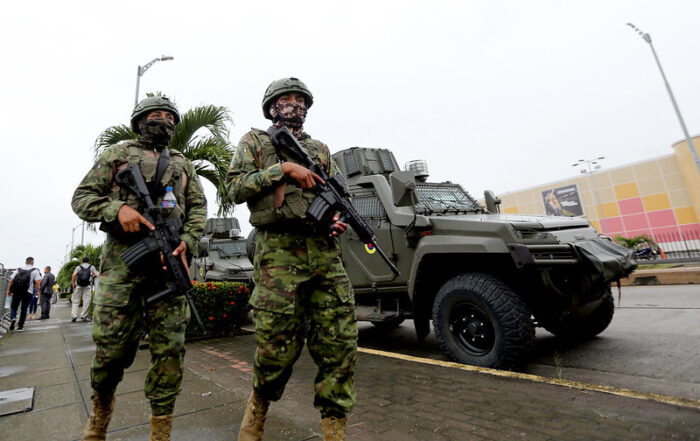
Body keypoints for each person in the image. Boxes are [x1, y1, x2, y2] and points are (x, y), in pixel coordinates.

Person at [227, 78, 356, 441]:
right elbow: (234, 188)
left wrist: (335, 220)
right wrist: (283, 170)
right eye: (286, 98)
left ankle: (335, 429)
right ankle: (258, 409)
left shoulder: (320, 149)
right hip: (278, 254)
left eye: (301, 99)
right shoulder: (256, 142)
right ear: (271, 107)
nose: (295, 104)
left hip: (324, 256)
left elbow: (330, 196)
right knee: (275, 347)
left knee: (339, 344)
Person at [72, 95, 206, 441]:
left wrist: (186, 243)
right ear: (140, 120)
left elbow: (197, 211)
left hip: (169, 267)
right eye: (154, 115)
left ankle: (161, 430)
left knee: (170, 353)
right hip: (122, 268)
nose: (163, 120)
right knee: (110, 351)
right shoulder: (117, 155)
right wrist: (116, 210)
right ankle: (98, 420)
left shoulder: (183, 165)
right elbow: (82, 197)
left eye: (169, 116)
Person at [6, 257, 42, 331]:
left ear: (25, 262)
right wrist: (38, 291)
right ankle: (20, 326)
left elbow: (11, 280)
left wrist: (9, 290)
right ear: (32, 262)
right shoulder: (35, 270)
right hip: (28, 292)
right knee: (24, 308)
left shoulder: (19, 269)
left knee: (14, 306)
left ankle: (13, 318)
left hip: (17, 291)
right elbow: (38, 282)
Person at [71, 257, 99, 322]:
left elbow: (73, 275)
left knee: (75, 300)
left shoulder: (78, 267)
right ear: (89, 261)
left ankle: (74, 316)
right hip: (87, 285)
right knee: (86, 301)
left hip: (79, 285)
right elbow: (96, 275)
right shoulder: (92, 267)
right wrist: (91, 279)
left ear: (82, 261)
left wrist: (73, 284)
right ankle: (83, 316)